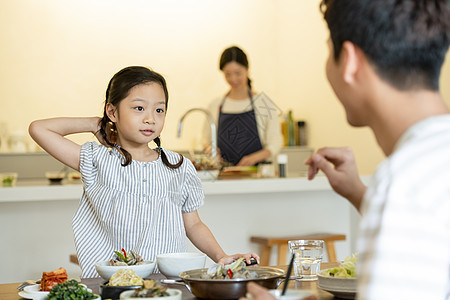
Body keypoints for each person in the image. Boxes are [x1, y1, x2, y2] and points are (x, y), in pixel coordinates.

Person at [245, 0, 450, 299]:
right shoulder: (428, 167)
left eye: (329, 50)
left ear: (351, 63)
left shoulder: (403, 184)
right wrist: (358, 193)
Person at [29, 66, 259, 278]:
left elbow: (193, 224)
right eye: (139, 108)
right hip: (111, 284)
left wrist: (221, 257)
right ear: (113, 111)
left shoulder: (178, 166)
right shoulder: (97, 160)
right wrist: (94, 123)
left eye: (159, 110)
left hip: (167, 284)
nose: (150, 118)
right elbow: (39, 129)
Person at [204, 46, 283, 166]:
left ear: (247, 69)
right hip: (224, 176)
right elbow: (205, 139)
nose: (233, 79)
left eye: (238, 73)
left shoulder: (264, 104)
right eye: (228, 74)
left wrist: (254, 158)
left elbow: (276, 142)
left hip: (257, 175)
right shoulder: (215, 105)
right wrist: (210, 149)